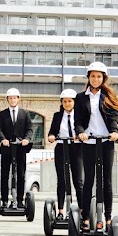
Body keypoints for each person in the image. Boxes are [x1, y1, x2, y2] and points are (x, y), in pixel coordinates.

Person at [76, 62, 118, 229]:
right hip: (89, 142)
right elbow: (78, 121)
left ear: (103, 78)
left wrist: (114, 132)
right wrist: (80, 132)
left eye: (99, 76)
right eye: (93, 76)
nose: (95, 79)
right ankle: (86, 217)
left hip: (106, 142)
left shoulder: (108, 96)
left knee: (107, 180)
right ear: (88, 77)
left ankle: (108, 218)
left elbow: (113, 118)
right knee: (89, 179)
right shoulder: (80, 98)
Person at [47, 88, 83, 220]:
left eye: (70, 101)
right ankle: (61, 211)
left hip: (76, 148)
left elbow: (84, 130)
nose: (67, 104)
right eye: (65, 101)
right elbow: (52, 132)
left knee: (78, 180)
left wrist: (79, 137)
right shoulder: (57, 116)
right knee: (62, 180)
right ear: (61, 102)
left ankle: (81, 209)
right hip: (62, 148)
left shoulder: (80, 116)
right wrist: (51, 136)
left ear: (74, 102)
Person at [0, 87, 33, 207]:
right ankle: (5, 200)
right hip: (7, 148)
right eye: (10, 98)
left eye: (14, 98)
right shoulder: (2, 114)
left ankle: (20, 200)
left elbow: (30, 129)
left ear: (18, 99)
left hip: (20, 148)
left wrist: (27, 139)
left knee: (21, 175)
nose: (12, 100)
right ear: (7, 100)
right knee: (5, 174)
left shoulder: (25, 113)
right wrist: (3, 139)